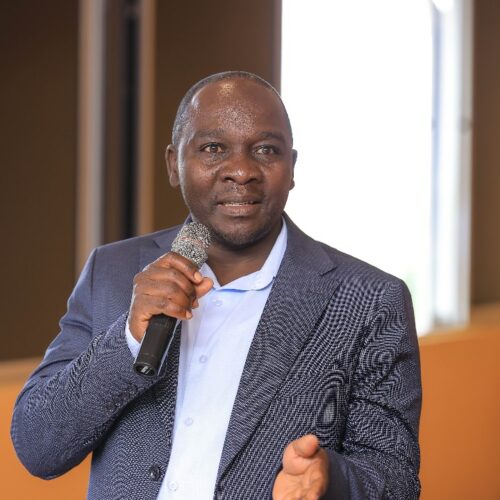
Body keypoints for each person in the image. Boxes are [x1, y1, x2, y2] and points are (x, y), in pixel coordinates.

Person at [11, 71, 422, 499]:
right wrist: (128, 340)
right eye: (213, 148)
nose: (241, 171)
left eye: (266, 150)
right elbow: (39, 449)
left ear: (292, 168)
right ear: (174, 164)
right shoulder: (112, 272)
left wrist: (329, 478)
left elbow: (396, 480)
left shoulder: (370, 299)